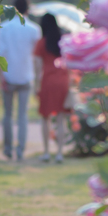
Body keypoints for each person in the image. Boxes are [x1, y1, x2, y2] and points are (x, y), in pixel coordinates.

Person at [0, 0, 41, 161]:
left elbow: (0, 54)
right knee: (22, 115)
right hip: (26, 75)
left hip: (8, 75)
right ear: (28, 9)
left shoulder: (4, 28)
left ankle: (7, 148)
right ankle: (20, 149)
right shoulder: (34, 29)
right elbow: (35, 56)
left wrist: (1, 74)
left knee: (7, 114)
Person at [33, 13, 71, 163]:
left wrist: (36, 85)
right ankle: (60, 153)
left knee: (45, 117)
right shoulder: (64, 42)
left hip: (47, 82)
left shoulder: (41, 43)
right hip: (62, 81)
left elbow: (37, 65)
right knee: (61, 119)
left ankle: (46, 152)